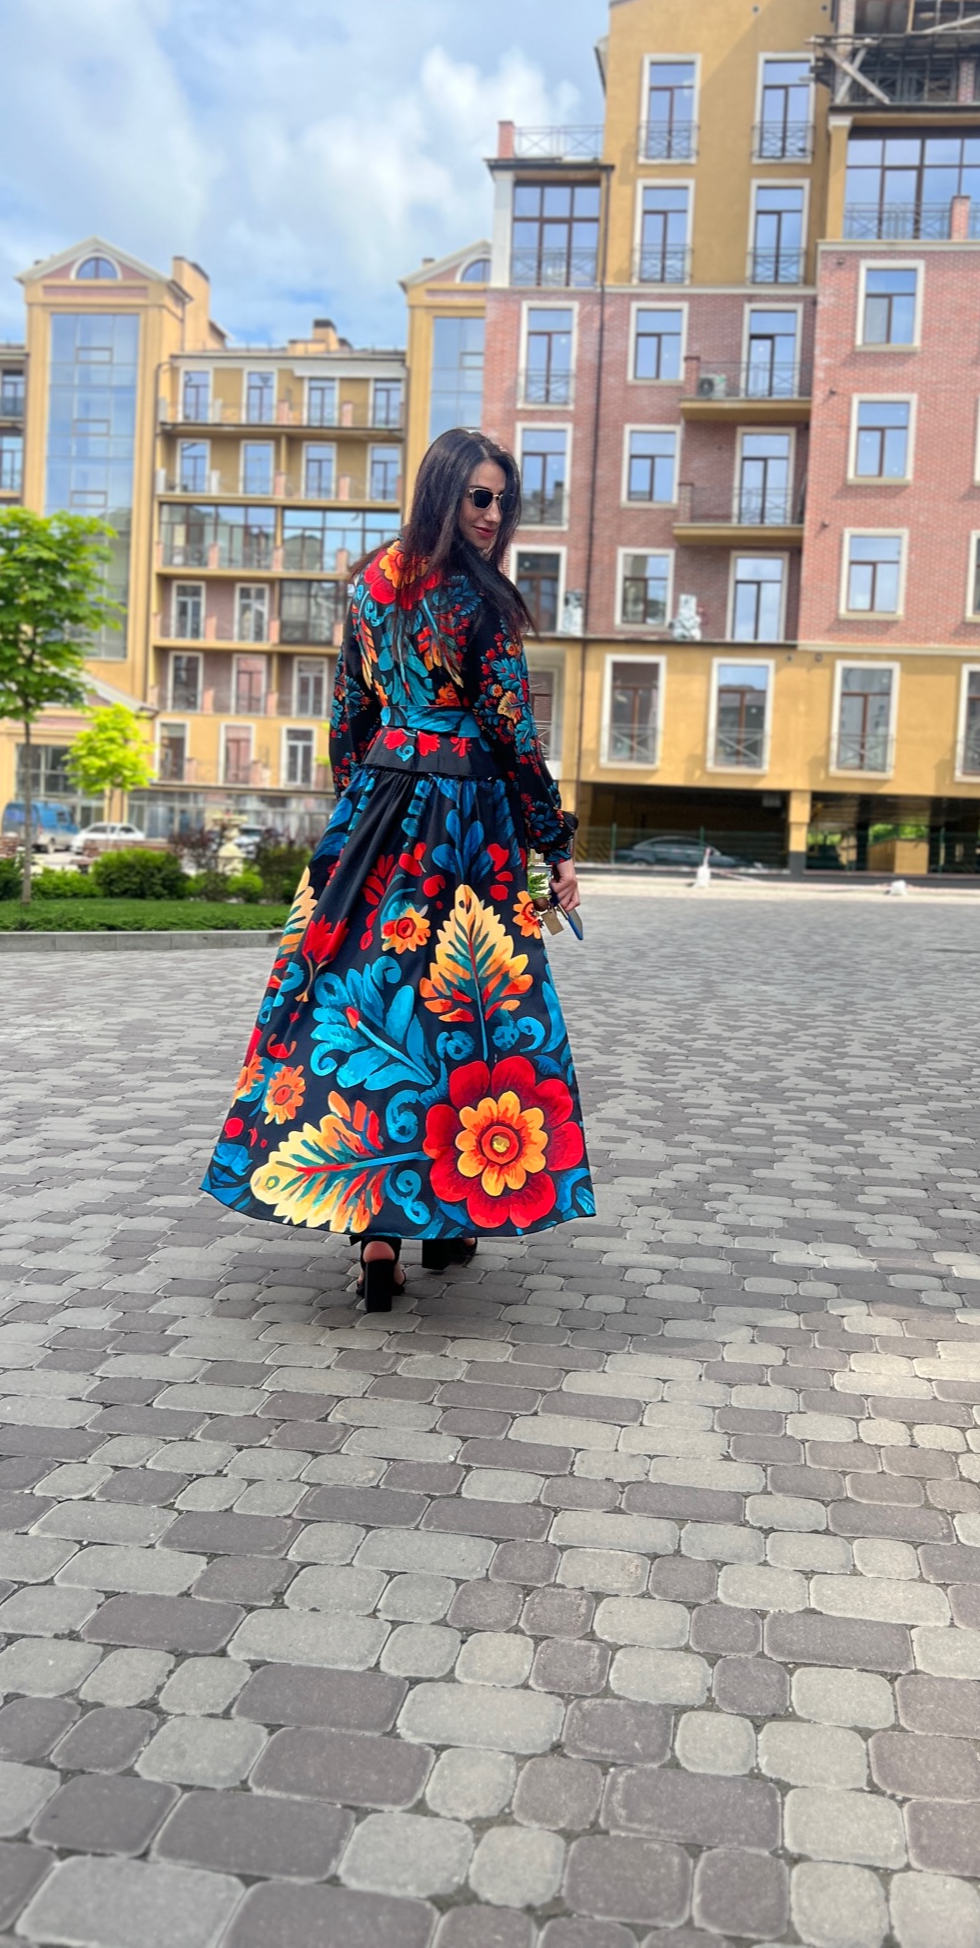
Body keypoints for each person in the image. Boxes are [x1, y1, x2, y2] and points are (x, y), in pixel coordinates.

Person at [201, 428, 594, 1309]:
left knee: (364, 1001)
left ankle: (376, 1232)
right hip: (466, 827)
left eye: (503, 501)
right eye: (479, 497)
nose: (492, 515)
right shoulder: (478, 599)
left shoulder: (371, 582)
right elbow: (513, 734)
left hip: (378, 812)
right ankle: (448, 1216)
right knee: (469, 1008)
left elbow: (348, 712)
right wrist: (555, 842)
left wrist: (360, 811)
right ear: (442, 492)